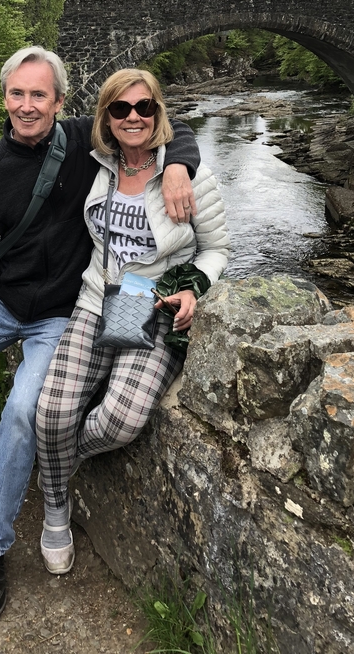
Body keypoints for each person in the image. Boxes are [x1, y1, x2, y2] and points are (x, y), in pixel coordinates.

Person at [0, 47, 202, 627]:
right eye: (17, 94)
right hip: (1, 303)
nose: (27, 106)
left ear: (60, 102)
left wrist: (180, 163)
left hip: (62, 313)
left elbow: (159, 124)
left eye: (40, 95)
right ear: (5, 98)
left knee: (20, 414)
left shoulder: (89, 139)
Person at [35, 68, 229, 575]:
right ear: (106, 117)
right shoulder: (95, 166)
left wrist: (194, 287)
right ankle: (56, 508)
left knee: (120, 422)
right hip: (99, 300)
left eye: (145, 107)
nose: (134, 117)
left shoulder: (189, 174)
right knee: (50, 411)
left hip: (155, 309)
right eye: (120, 109)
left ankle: (59, 462)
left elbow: (218, 250)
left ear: (160, 111)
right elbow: (34, 122)